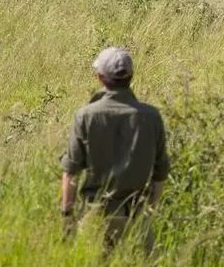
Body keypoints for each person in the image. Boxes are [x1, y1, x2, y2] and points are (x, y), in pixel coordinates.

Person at [60, 47, 169, 252]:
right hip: (136, 218)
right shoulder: (151, 117)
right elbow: (160, 173)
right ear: (131, 76)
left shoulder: (85, 116)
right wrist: (150, 209)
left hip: (96, 217)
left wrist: (67, 215)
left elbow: (70, 173)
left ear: (100, 77)